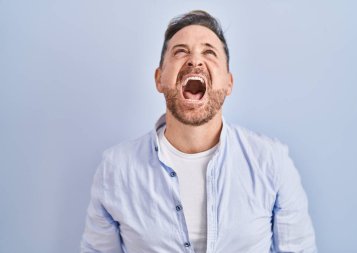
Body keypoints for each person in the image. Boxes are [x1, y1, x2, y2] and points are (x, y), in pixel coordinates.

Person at [81, 10, 317, 253]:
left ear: (228, 83)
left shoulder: (272, 162)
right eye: (180, 51)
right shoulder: (115, 169)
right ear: (159, 79)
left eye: (209, 52)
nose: (195, 60)